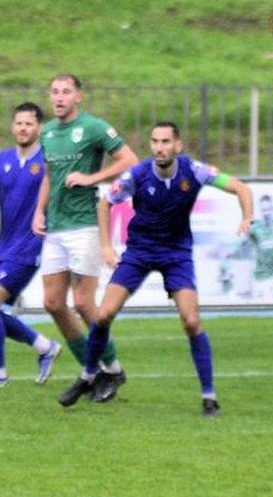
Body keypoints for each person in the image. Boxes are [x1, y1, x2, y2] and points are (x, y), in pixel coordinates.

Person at [58, 121, 253, 416]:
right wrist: (107, 246)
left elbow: (239, 187)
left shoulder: (194, 171)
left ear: (178, 145)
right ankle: (87, 377)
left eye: (165, 142)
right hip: (140, 252)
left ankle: (209, 397)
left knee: (190, 321)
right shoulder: (137, 174)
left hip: (176, 254)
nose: (159, 148)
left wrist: (247, 216)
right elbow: (104, 203)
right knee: (103, 314)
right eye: (154, 142)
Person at [32, 74, 138, 400]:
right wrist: (39, 211)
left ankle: (110, 368)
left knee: (83, 303)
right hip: (56, 227)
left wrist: (92, 177)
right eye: (55, 92)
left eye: (66, 92)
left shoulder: (93, 127)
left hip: (84, 226)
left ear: (78, 96)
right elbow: (50, 175)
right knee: (52, 303)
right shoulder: (47, 131)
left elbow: (130, 160)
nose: (60, 97)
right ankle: (95, 371)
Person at [0, 103, 62, 388]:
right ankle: (45, 347)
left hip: (30, 247)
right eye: (19, 123)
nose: (23, 128)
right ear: (13, 126)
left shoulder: (47, 159)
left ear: (39, 128)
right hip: (3, 247)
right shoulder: (0, 159)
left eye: (29, 124)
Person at [247, 195, 273, 298]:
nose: (266, 213)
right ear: (260, 210)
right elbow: (244, 241)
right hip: (260, 277)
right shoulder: (255, 227)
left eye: (268, 209)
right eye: (263, 210)